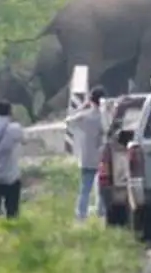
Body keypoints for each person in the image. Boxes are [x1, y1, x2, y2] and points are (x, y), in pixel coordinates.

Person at [67, 86, 107, 221]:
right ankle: (101, 211)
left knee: (85, 188)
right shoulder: (104, 117)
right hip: (102, 156)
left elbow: (69, 121)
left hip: (87, 157)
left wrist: (82, 107)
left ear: (91, 100)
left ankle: (81, 214)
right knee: (102, 187)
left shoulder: (85, 117)